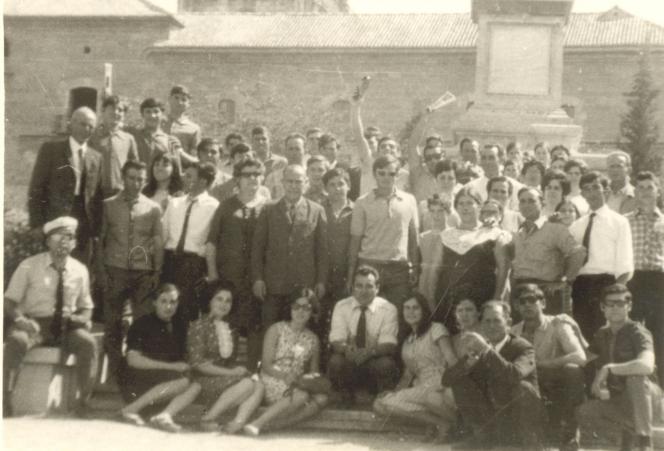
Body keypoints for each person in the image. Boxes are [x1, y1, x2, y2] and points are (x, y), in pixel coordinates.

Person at [3, 217, 98, 417]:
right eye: (59, 237)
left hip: (66, 327)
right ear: (47, 241)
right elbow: (9, 301)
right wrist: (20, 320)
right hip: (35, 325)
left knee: (88, 343)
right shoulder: (29, 266)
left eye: (69, 237)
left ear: (74, 243)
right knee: (17, 341)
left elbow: (87, 307)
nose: (64, 242)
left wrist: (82, 319)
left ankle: (82, 403)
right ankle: (4, 400)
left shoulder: (80, 270)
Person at [442, 301, 545, 450]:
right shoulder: (481, 348)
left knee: (523, 387)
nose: (491, 326)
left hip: (521, 421)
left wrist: (486, 350)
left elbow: (513, 375)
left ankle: (528, 445)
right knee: (460, 381)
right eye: (487, 321)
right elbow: (446, 380)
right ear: (482, 325)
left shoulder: (522, 347)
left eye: (497, 321)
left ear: (508, 323)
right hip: (494, 420)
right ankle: (483, 438)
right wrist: (467, 364)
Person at [97, 160, 163, 382]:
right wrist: (100, 271)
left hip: (142, 273)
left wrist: (157, 271)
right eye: (132, 178)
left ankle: (138, 373)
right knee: (113, 323)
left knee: (142, 322)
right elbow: (100, 241)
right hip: (114, 271)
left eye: (140, 179)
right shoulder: (108, 205)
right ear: (123, 178)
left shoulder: (153, 208)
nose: (136, 183)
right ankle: (116, 373)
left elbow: (158, 241)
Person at [577, 284, 662, 451]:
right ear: (602, 307)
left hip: (647, 399)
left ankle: (645, 442)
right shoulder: (602, 333)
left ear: (629, 306)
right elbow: (584, 358)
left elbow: (646, 366)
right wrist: (575, 330)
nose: (615, 308)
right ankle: (627, 435)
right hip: (620, 400)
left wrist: (609, 368)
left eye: (620, 303)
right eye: (610, 304)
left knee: (635, 378)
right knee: (584, 411)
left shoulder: (638, 331)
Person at [206, 158, 268, 371]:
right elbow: (212, 243)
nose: (252, 178)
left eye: (256, 174)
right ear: (237, 179)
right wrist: (213, 274)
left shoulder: (268, 207)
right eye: (247, 174)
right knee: (227, 323)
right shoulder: (226, 206)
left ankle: (250, 371)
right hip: (229, 277)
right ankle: (226, 370)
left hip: (257, 279)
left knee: (254, 325)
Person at [511, 284, 587, 451]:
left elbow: (580, 357)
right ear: (516, 307)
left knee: (573, 371)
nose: (527, 305)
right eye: (522, 301)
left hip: (556, 382)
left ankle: (570, 435)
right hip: (529, 385)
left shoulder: (558, 324)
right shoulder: (513, 332)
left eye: (532, 299)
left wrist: (543, 364)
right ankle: (534, 439)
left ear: (543, 303)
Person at [243, 289, 328, 436]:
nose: (301, 311)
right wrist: (284, 376)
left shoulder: (313, 339)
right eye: (296, 307)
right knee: (301, 396)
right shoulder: (276, 329)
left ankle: (276, 425)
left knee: (322, 399)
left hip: (296, 382)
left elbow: (314, 371)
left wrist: (309, 379)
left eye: (306, 308)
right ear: (290, 309)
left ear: (311, 312)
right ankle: (257, 424)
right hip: (272, 378)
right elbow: (266, 364)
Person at [251, 164, 328, 327]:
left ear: (306, 182)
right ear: (282, 183)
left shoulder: (316, 210)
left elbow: (322, 251)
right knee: (271, 328)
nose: (293, 186)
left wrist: (321, 280)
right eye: (290, 181)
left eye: (298, 182)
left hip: (303, 285)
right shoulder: (268, 209)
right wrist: (258, 278)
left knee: (301, 330)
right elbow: (258, 248)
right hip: (273, 284)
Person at [373, 294, 458, 442]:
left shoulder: (436, 329)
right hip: (421, 386)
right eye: (407, 308)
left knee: (385, 402)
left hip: (441, 383)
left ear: (424, 310)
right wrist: (395, 392)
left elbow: (451, 360)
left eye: (415, 308)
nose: (411, 312)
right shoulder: (408, 340)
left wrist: (451, 385)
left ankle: (442, 424)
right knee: (380, 404)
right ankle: (438, 423)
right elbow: (408, 375)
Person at [118, 284, 201, 432]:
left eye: (173, 302)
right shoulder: (142, 323)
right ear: (154, 302)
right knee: (183, 381)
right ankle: (129, 409)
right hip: (137, 380)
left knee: (196, 385)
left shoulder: (179, 326)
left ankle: (164, 416)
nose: (168, 306)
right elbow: (133, 360)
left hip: (164, 385)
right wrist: (172, 367)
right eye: (163, 301)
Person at [28, 107, 103, 262]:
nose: (86, 129)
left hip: (84, 222)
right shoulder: (51, 150)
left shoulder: (96, 157)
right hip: (56, 217)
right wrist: (36, 224)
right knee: (53, 263)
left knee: (80, 265)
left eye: (91, 126)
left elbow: (97, 196)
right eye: (83, 124)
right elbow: (36, 188)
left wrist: (96, 230)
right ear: (71, 123)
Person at [188, 284, 265, 432]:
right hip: (201, 381)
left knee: (259, 384)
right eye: (219, 299)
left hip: (221, 379)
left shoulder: (229, 328)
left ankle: (237, 423)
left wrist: (239, 371)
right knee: (248, 384)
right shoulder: (199, 326)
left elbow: (228, 362)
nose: (224, 304)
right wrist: (232, 373)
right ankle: (207, 418)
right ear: (209, 301)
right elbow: (199, 365)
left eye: (228, 301)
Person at [347, 154, 419, 308]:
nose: (386, 177)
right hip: (369, 264)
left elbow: (413, 238)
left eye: (391, 173)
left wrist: (415, 267)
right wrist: (351, 273)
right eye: (382, 173)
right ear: (375, 174)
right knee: (368, 310)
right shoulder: (362, 202)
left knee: (398, 312)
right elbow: (355, 240)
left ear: (398, 175)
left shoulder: (409, 200)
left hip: (398, 267)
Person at [434, 188, 510, 332]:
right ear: (456, 207)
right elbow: (434, 272)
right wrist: (433, 301)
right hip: (449, 299)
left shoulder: (494, 234)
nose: (465, 207)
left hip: (483, 297)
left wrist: (497, 299)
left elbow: (504, 270)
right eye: (461, 203)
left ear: (479, 206)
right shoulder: (446, 236)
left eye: (469, 203)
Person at [569, 171, 633, 340]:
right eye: (586, 189)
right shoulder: (576, 225)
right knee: (583, 334)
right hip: (581, 285)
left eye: (596, 187)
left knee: (606, 335)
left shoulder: (619, 222)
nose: (592, 193)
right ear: (582, 194)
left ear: (606, 190)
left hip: (606, 284)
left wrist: (616, 293)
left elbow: (625, 262)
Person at [327, 266, 399, 405]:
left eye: (369, 286)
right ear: (352, 288)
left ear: (377, 288)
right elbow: (336, 340)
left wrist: (369, 352)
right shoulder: (341, 306)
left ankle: (380, 400)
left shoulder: (388, 309)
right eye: (359, 286)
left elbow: (389, 344)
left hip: (373, 360)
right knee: (335, 361)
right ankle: (345, 397)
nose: (363, 291)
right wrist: (346, 348)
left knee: (386, 364)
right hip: (350, 359)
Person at [511, 187, 586, 314]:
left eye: (531, 201)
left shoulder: (555, 229)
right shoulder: (519, 232)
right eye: (522, 201)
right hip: (520, 291)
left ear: (542, 203)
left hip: (545, 292)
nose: (526, 205)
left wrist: (565, 281)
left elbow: (578, 252)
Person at [162, 162, 219, 326]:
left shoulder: (214, 206)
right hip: (169, 260)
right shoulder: (174, 203)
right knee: (166, 309)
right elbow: (164, 233)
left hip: (193, 264)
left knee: (186, 311)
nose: (183, 178)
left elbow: (213, 240)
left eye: (189, 176)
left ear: (202, 181)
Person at [625, 171, 664, 384]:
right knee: (632, 330)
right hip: (633, 279)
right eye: (641, 188)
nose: (645, 192)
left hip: (659, 280)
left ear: (658, 191)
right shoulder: (625, 221)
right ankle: (633, 383)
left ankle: (660, 385)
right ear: (635, 193)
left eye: (650, 187)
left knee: (660, 331)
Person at [320, 168, 354, 351]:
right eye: (332, 185)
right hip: (323, 275)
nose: (337, 188)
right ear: (326, 189)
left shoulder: (357, 210)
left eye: (341, 184)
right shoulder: (319, 210)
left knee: (345, 319)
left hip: (347, 274)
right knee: (321, 318)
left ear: (349, 186)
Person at [90, 95, 139, 198]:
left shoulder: (128, 139)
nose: (116, 112)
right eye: (112, 108)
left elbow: (134, 167)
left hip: (119, 192)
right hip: (95, 192)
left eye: (120, 110)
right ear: (103, 111)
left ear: (124, 115)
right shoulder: (92, 136)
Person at [131, 97, 193, 172]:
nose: (152, 115)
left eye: (156, 111)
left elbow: (176, 169)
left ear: (162, 114)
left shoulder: (170, 141)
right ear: (142, 115)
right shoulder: (133, 137)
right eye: (148, 112)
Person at [466, 144, 523, 210]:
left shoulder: (516, 186)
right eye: (484, 158)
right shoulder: (470, 187)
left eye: (491, 158)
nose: (487, 162)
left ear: (501, 160)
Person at [418, 195, 448, 307]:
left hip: (444, 280)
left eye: (440, 211)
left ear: (447, 212)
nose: (436, 215)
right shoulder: (422, 237)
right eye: (432, 211)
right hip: (425, 282)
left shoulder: (452, 236)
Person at [418, 159, 461, 232]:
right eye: (442, 178)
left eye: (450, 178)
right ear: (435, 180)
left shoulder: (462, 205)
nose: (446, 182)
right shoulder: (423, 206)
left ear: (456, 181)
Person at [264, 133, 307, 200]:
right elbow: (266, 201)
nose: (294, 153)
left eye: (297, 149)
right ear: (285, 151)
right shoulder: (273, 177)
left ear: (305, 150)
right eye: (290, 149)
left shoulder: (312, 174)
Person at [163, 85, 201, 158]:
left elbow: (195, 156)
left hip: (183, 164)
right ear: (169, 99)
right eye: (176, 98)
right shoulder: (158, 122)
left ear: (189, 104)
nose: (179, 102)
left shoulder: (194, 128)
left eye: (184, 100)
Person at [606, 150, 637, 215]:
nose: (615, 170)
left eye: (619, 166)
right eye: (612, 166)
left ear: (629, 170)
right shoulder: (600, 194)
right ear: (607, 170)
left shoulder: (636, 195)